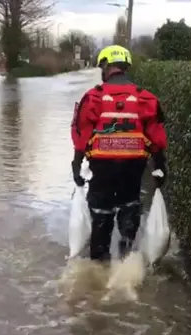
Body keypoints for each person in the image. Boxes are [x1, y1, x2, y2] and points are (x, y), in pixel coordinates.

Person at [70, 45, 168, 263]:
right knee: (129, 208)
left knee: (101, 213)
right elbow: (157, 138)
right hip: (133, 168)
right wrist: (160, 168)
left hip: (102, 168)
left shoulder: (93, 97)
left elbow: (81, 134)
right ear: (126, 67)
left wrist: (77, 165)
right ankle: (126, 260)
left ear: (105, 66)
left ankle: (99, 262)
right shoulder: (146, 99)